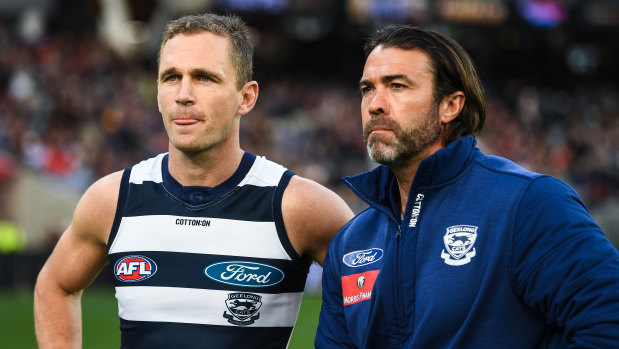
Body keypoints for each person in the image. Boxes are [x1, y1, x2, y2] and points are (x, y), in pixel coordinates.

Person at [34, 13, 354, 349]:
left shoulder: (300, 206)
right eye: (171, 77)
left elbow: (383, 306)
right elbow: (54, 285)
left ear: (246, 97)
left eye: (204, 78)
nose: (183, 94)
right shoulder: (113, 200)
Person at [315, 24, 619, 348]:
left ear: (450, 105)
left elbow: (608, 323)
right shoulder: (349, 242)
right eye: (367, 89)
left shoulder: (529, 203)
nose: (375, 104)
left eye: (397, 85)